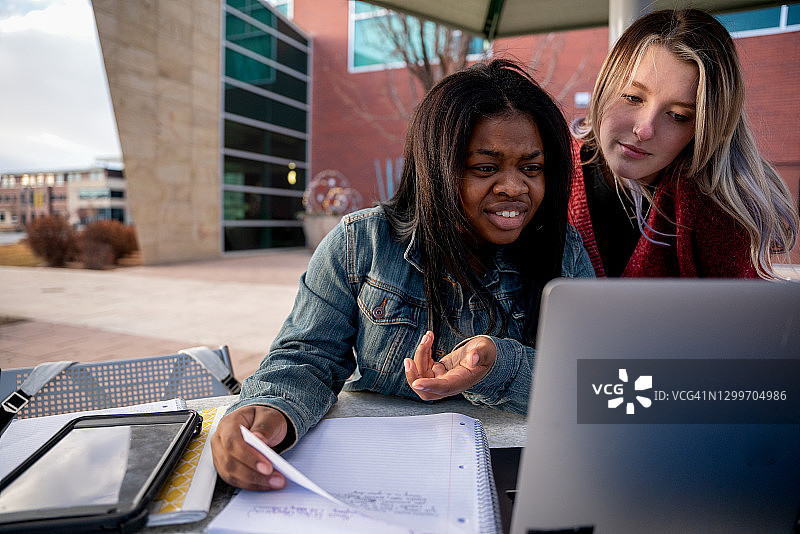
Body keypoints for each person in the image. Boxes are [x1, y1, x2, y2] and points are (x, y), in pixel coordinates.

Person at [211, 58, 594, 491]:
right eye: (485, 168)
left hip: (518, 478)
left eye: (531, 167)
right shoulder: (361, 244)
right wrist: (271, 408)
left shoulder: (563, 252)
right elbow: (307, 355)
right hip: (376, 473)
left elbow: (591, 384)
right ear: (436, 169)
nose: (514, 187)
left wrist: (497, 365)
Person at [570, 8, 798, 278]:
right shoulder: (543, 165)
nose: (644, 130)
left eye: (678, 116)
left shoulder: (713, 204)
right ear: (604, 85)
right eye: (633, 97)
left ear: (706, 128)